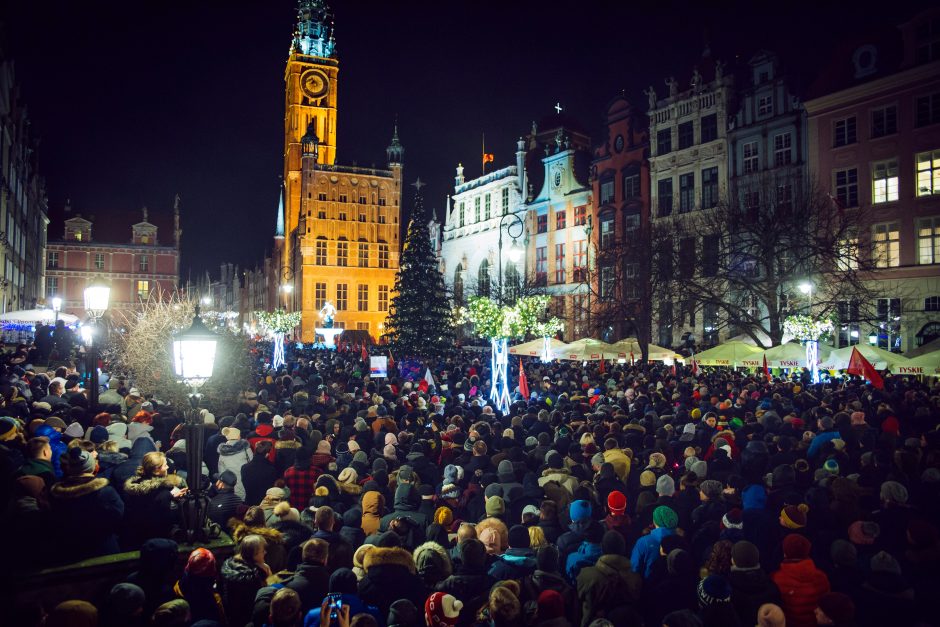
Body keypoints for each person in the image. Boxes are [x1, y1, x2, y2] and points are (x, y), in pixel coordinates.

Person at [49, 446, 124, 562]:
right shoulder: (105, 491)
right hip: (103, 550)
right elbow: (118, 515)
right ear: (92, 467)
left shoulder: (55, 494)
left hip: (68, 551)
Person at [122, 451, 187, 548]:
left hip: (135, 539)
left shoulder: (134, 486)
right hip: (156, 542)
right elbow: (164, 522)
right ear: (156, 470)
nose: (168, 467)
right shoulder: (162, 492)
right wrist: (170, 497)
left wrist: (171, 495)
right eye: (165, 465)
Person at [221, 534, 272, 627]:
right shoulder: (254, 578)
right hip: (247, 620)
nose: (265, 552)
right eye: (262, 551)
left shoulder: (230, 566)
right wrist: (267, 573)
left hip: (231, 616)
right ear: (253, 555)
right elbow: (264, 597)